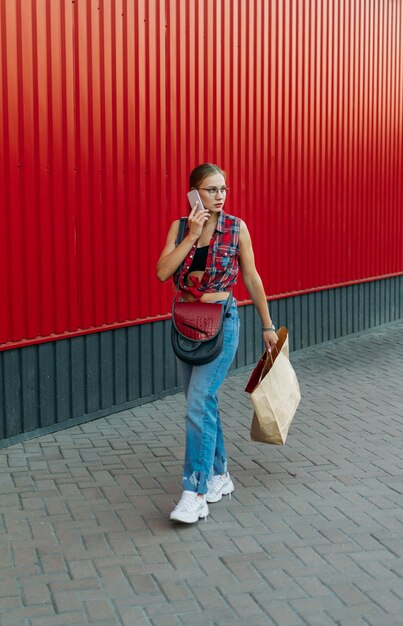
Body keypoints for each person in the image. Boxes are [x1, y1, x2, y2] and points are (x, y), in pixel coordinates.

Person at [156, 163, 278, 523]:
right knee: (200, 402)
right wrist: (192, 236)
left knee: (199, 400)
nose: (220, 195)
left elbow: (252, 278)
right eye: (211, 189)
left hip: (223, 321)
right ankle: (220, 474)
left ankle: (195, 492)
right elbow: (163, 272)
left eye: (223, 188)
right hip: (185, 323)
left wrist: (267, 326)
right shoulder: (180, 228)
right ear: (193, 193)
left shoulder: (236, 228)